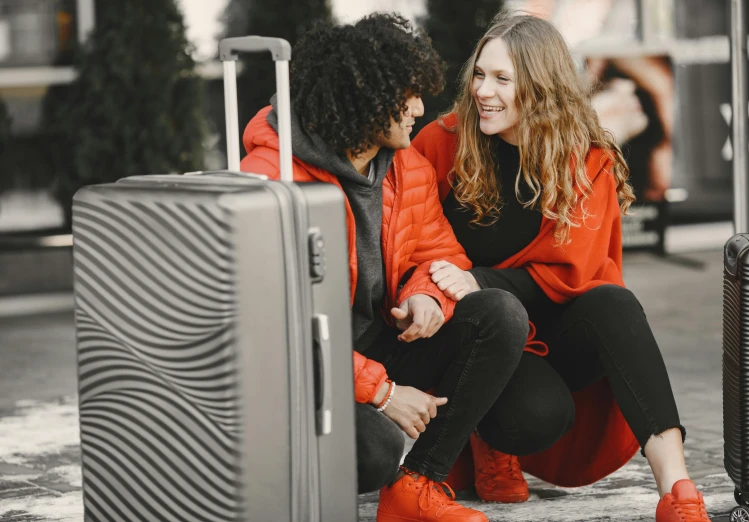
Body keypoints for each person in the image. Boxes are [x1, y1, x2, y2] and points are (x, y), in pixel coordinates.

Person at [239, 14, 549, 522]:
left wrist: (427, 293)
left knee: (499, 313)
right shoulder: (270, 180)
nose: (421, 110)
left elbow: (440, 254)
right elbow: (275, 328)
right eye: (408, 96)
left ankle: (417, 486)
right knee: (374, 450)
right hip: (307, 368)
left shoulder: (406, 165)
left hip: (379, 345)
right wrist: (383, 394)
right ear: (365, 98)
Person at [412, 13, 711, 522]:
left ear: (540, 86)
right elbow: (413, 241)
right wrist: (466, 288)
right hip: (474, 335)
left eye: (503, 79)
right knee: (535, 416)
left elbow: (578, 272)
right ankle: (487, 436)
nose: (484, 90)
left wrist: (479, 278)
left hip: (547, 325)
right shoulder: (442, 143)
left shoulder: (584, 155)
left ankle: (678, 490)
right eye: (480, 74)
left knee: (613, 302)